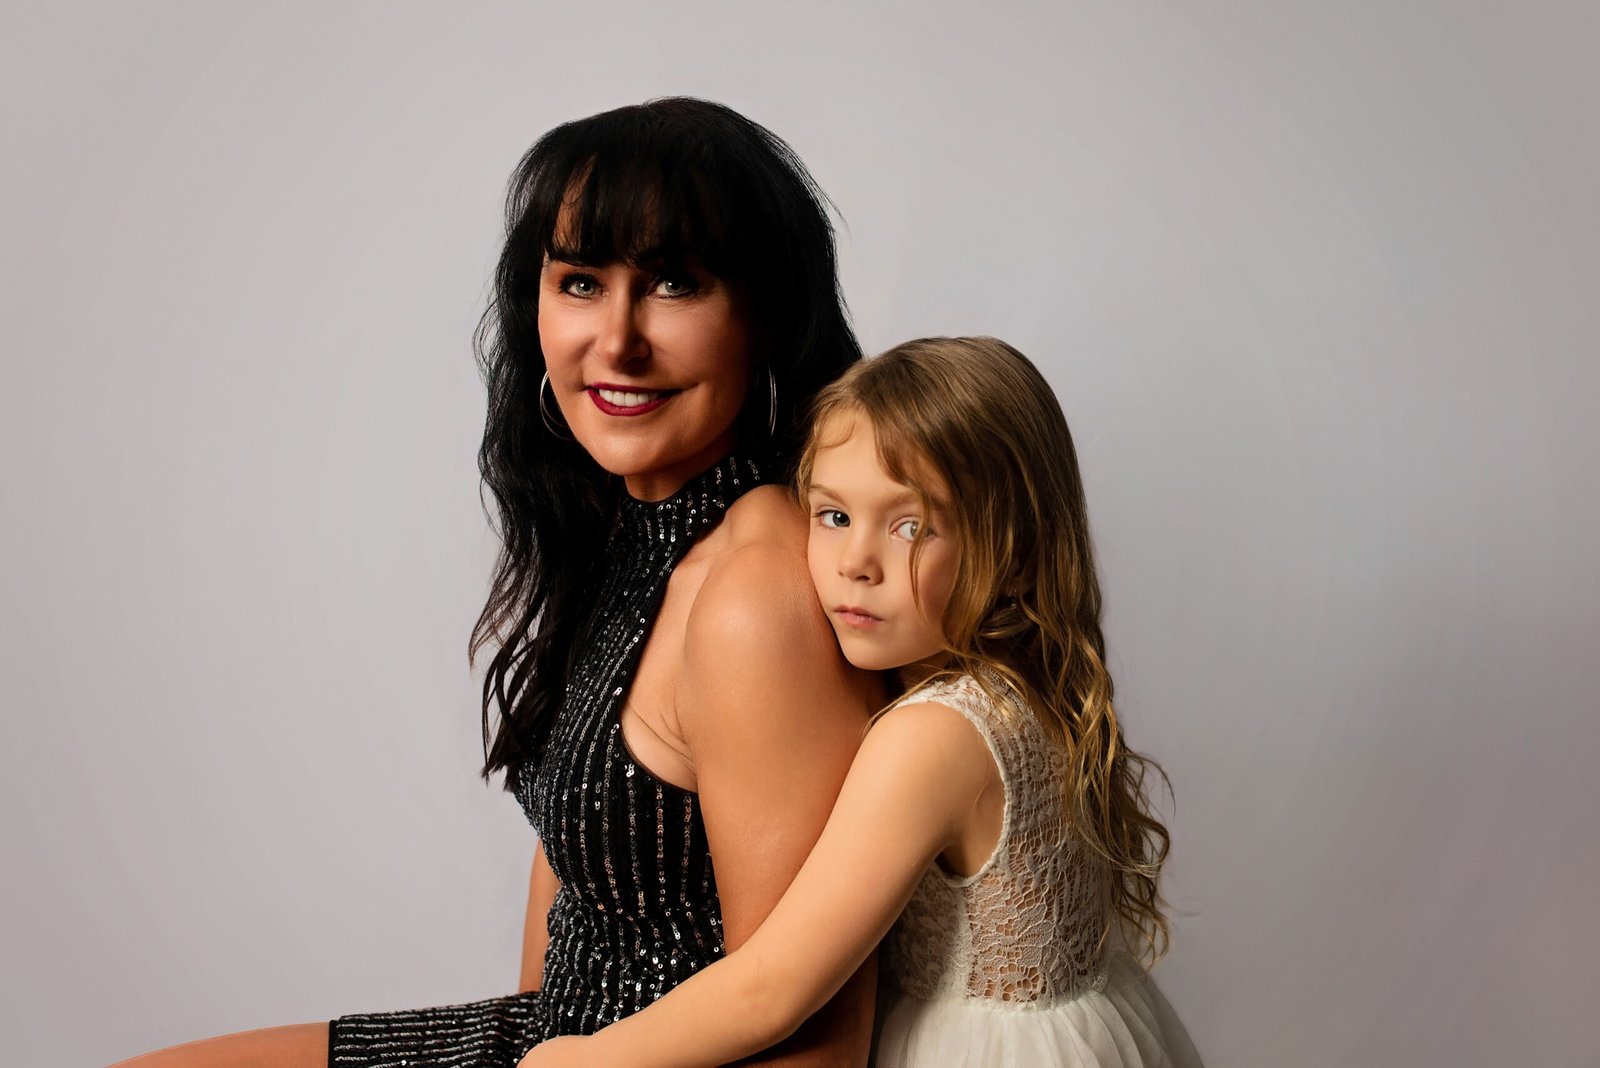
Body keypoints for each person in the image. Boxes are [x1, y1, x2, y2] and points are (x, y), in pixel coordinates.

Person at [114, 98, 881, 1067]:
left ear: (764, 314)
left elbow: (815, 1046)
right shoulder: (633, 526)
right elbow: (564, 910)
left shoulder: (754, 592)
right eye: (579, 283)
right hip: (547, 1039)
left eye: (673, 284)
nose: (616, 340)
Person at [521, 336, 1177, 1068]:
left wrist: (579, 1060)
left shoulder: (932, 736)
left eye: (910, 527)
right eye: (833, 516)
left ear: (1016, 554)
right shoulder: (1021, 690)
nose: (857, 563)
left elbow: (772, 989)